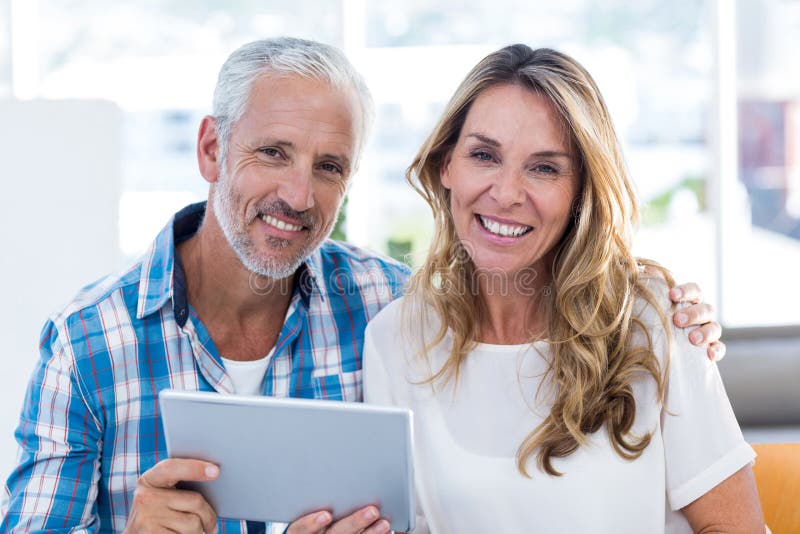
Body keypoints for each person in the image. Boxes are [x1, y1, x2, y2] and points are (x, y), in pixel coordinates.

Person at [1, 38, 722, 534]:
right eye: (272, 153)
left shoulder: (396, 313)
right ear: (212, 150)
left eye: (329, 166)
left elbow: (524, 286)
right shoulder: (89, 342)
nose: (297, 193)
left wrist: (661, 306)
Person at [363, 45, 764, 533]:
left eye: (544, 168)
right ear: (447, 165)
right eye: (484, 155)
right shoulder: (395, 338)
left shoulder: (653, 320)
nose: (507, 193)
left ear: (580, 192)